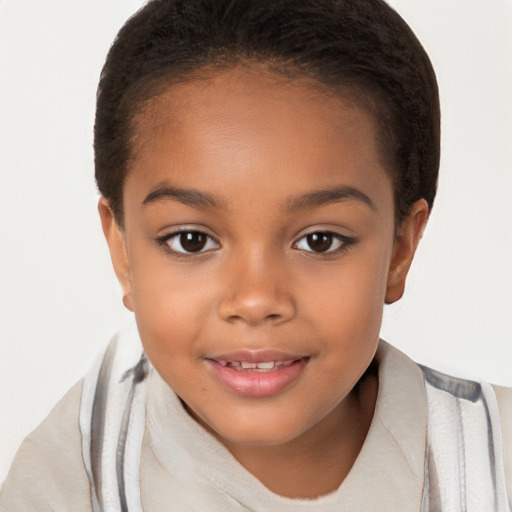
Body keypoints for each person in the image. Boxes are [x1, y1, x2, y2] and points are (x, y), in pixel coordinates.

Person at [1, 0, 510, 510]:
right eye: (191, 240)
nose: (256, 300)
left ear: (401, 248)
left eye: (320, 241)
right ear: (123, 250)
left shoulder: (495, 464)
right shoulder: (71, 482)